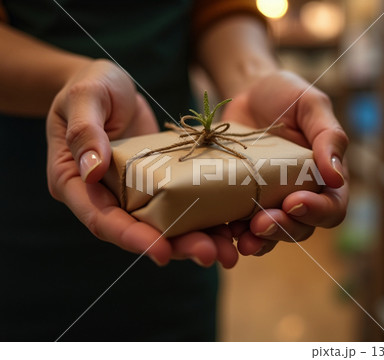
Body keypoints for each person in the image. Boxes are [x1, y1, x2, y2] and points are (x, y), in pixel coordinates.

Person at [0, 0, 349, 341]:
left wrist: (254, 77)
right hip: (25, 228)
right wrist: (73, 78)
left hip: (185, 240)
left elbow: (214, 8)